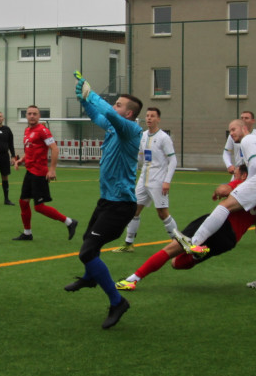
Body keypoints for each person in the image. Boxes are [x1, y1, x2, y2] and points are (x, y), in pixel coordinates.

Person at [63, 75, 144, 329]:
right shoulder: (113, 127)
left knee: (87, 252)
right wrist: (83, 99)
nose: (113, 105)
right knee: (89, 243)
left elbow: (107, 112)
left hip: (121, 206)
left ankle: (118, 302)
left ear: (128, 114)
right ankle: (90, 278)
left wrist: (92, 94)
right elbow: (97, 115)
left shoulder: (131, 130)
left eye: (118, 104)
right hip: (106, 202)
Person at [176, 118, 256, 290]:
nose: (232, 133)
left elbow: (255, 165)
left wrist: (246, 188)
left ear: (244, 128)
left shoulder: (248, 139)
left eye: (234, 129)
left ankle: (194, 243)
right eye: (230, 131)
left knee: (225, 205)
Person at [116, 169, 255, 290]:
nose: (233, 175)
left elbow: (222, 190)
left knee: (170, 250)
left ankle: (133, 279)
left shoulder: (245, 184)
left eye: (236, 173)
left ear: (244, 175)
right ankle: (195, 255)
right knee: (176, 263)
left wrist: (223, 189)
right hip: (230, 240)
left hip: (217, 223)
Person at [115, 106, 178, 252]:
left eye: (152, 116)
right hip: (144, 180)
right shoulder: (143, 136)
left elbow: (173, 160)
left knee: (162, 213)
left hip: (158, 181)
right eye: (147, 115)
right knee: (133, 210)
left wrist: (167, 181)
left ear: (158, 119)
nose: (149, 118)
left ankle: (178, 244)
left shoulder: (164, 138)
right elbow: (140, 157)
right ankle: (128, 243)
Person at [12, 105, 77, 242]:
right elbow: (30, 150)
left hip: (39, 173)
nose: (32, 116)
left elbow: (55, 149)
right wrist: (21, 160)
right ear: (26, 116)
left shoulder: (43, 130)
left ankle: (69, 222)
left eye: (34, 114)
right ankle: (27, 233)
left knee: (39, 207)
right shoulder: (27, 130)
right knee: (23, 202)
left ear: (39, 116)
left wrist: (52, 169)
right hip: (30, 171)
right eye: (29, 113)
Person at [221, 110, 256, 174]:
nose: (243, 120)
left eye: (246, 118)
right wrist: (229, 165)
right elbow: (226, 152)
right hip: (239, 170)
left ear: (253, 121)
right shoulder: (233, 135)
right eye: (242, 118)